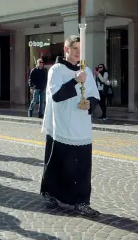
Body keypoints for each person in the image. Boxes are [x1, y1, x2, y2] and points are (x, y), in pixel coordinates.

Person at [40, 35, 100, 217]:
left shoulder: (86, 70)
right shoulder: (56, 70)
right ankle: (49, 192)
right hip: (62, 124)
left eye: (80, 50)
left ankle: (82, 202)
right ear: (66, 50)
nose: (77, 53)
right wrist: (75, 80)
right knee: (58, 164)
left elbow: (94, 95)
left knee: (82, 167)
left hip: (81, 126)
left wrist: (90, 103)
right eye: (74, 49)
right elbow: (56, 95)